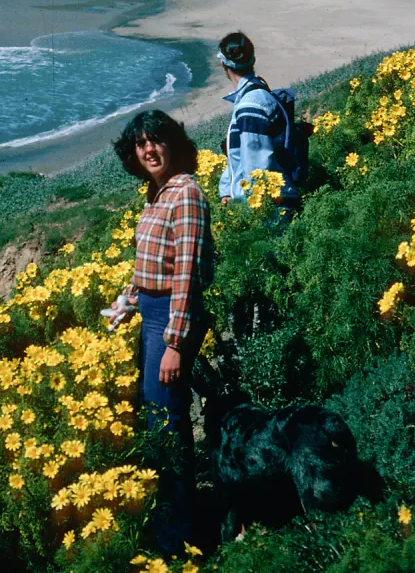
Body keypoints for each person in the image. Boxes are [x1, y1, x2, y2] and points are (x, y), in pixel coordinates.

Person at [110, 109, 212, 555]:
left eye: (157, 140)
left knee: (167, 423)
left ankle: (182, 537)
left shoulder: (185, 193)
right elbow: (152, 263)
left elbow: (187, 273)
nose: (149, 150)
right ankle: (174, 521)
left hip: (171, 318)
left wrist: (174, 344)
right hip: (153, 312)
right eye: (141, 144)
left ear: (172, 143)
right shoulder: (156, 194)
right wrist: (127, 299)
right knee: (157, 418)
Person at [216, 31, 301, 211]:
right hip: (274, 199)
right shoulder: (258, 93)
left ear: (222, 63)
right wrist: (226, 191)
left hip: (268, 208)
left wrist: (249, 212)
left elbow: (256, 167)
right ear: (253, 60)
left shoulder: (250, 105)